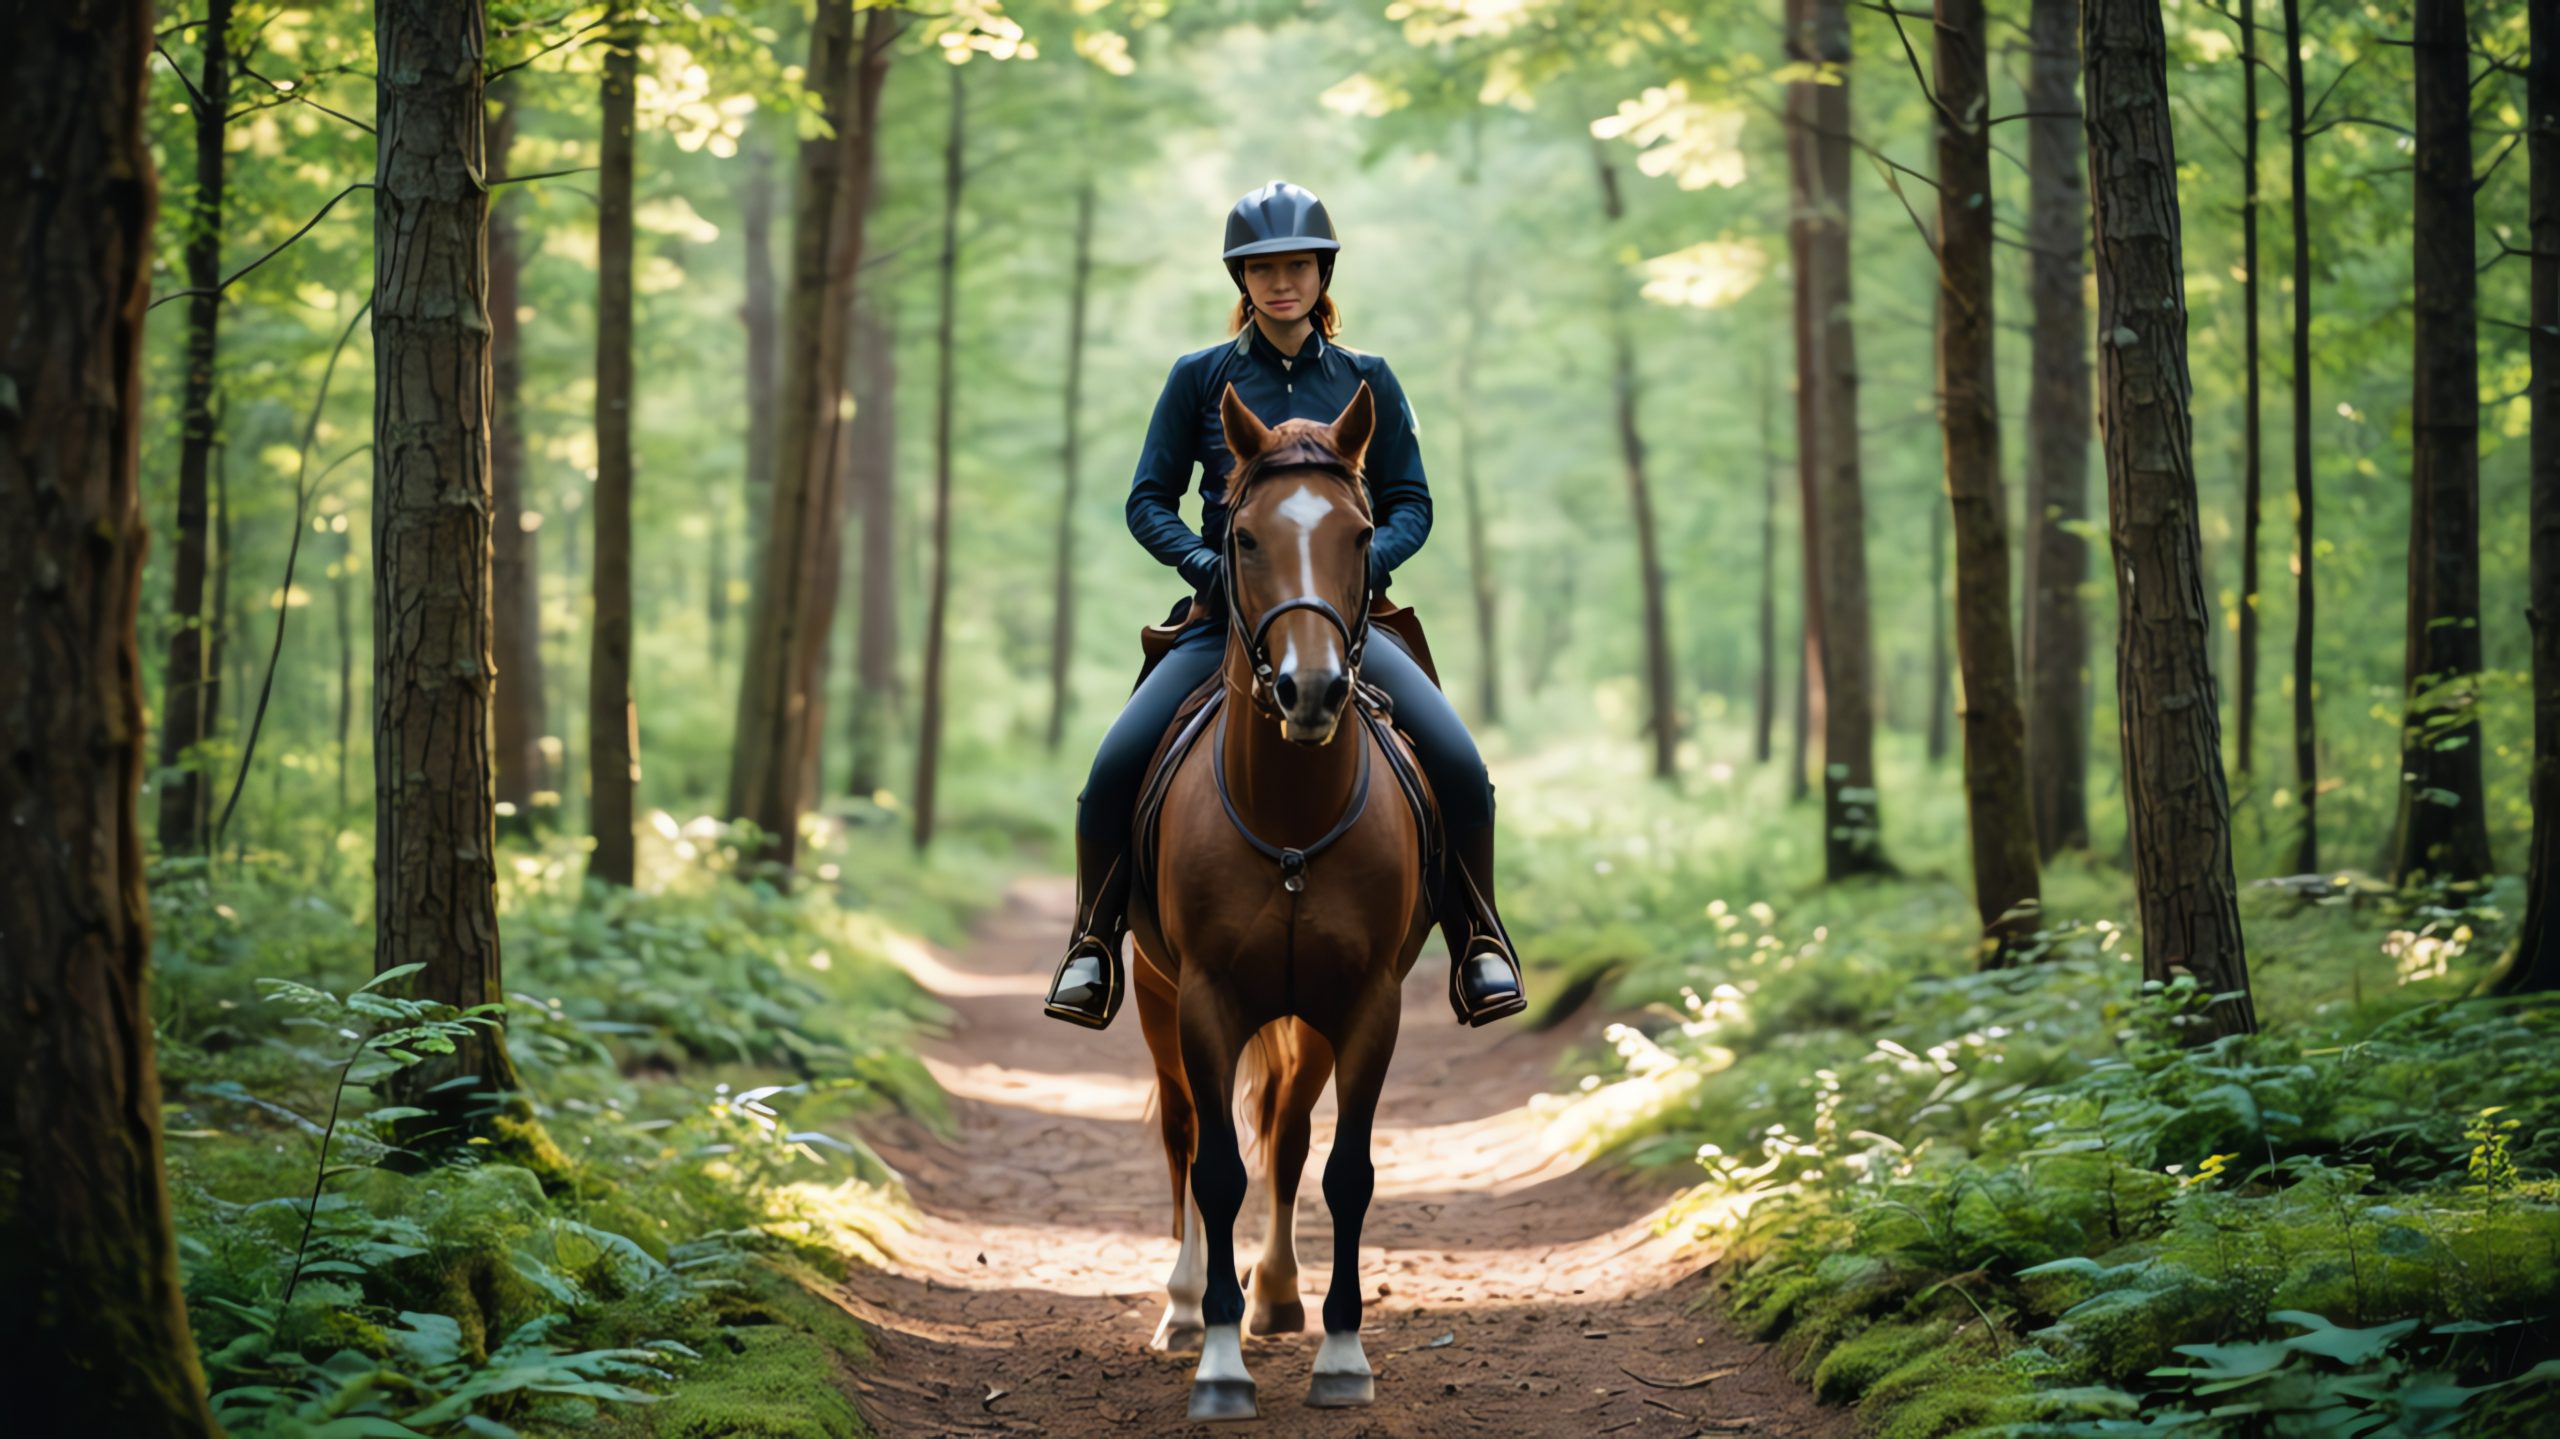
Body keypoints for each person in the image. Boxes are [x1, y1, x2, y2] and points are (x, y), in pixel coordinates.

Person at [1042, 179, 1528, 1032]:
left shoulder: (1367, 379)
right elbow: (1148, 499)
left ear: (1321, 272)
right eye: (1262, 269)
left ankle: (1479, 938)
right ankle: (1092, 941)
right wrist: (1209, 566)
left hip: (1345, 626)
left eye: (1296, 266)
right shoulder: (1200, 379)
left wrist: (1363, 570)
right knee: (1110, 771)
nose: (1280, 283)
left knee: (1459, 764)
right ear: (1242, 280)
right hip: (1226, 624)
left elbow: (1411, 500)